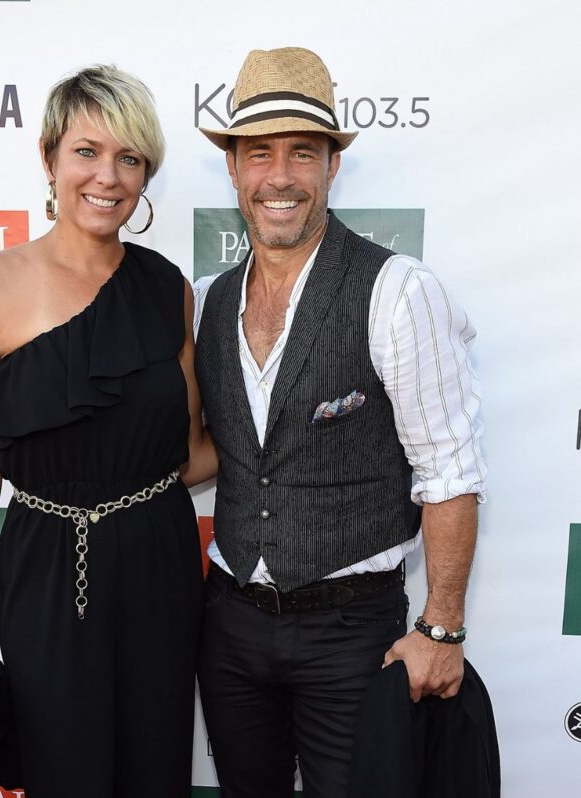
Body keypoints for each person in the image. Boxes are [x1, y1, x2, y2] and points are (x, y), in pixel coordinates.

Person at [193, 47, 485, 798]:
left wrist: (442, 628)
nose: (280, 176)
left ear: (331, 166)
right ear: (233, 169)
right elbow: (227, 451)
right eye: (259, 153)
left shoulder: (396, 291)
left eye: (303, 153)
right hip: (229, 626)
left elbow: (449, 472)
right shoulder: (210, 299)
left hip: (353, 633)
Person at [0, 65, 215, 795]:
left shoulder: (167, 289)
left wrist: (292, 448)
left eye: (130, 159)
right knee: (64, 768)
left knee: (156, 764)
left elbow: (188, 455)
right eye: (88, 152)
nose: (109, 177)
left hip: (159, 557)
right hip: (50, 563)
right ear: (49, 158)